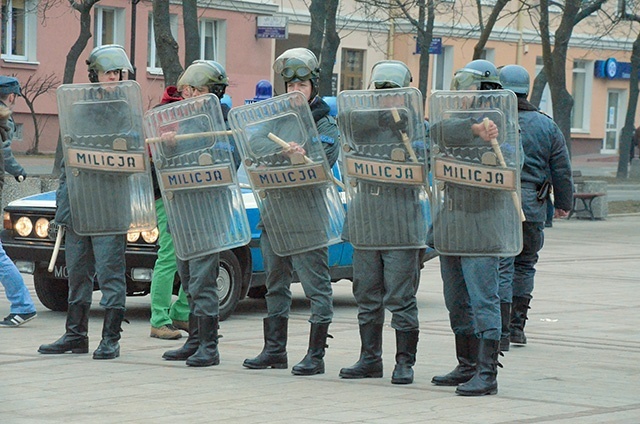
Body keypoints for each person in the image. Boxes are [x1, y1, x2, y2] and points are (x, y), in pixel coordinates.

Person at [242, 48, 339, 376]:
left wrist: (303, 153)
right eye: (291, 85)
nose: (296, 91)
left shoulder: (325, 121)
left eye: (303, 85)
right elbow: (255, 146)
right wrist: (286, 153)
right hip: (275, 214)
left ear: (313, 86)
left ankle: (316, 354)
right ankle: (274, 350)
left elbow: (325, 154)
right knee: (275, 284)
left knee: (316, 287)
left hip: (307, 217)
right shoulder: (275, 119)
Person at [38, 45, 136, 359]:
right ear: (94, 75)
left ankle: (110, 338)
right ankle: (75, 335)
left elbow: (134, 159)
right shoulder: (77, 109)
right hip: (81, 206)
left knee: (110, 272)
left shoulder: (127, 110)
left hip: (110, 205)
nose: (115, 78)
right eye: (110, 72)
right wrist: (63, 208)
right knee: (77, 272)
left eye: (119, 73)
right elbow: (67, 165)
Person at [337, 60, 427, 385]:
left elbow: (425, 163)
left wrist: (402, 127)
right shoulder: (364, 122)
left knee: (401, 297)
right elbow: (344, 124)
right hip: (366, 220)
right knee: (366, 293)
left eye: (394, 94)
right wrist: (380, 118)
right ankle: (369, 358)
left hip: (401, 225)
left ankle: (405, 362)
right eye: (381, 93)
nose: (387, 99)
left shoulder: (418, 128)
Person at [429, 59, 510, 396]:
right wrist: (473, 129)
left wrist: (487, 133)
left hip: (482, 222)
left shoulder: (505, 124)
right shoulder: (457, 123)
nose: (463, 96)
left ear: (486, 92)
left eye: (470, 90)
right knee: (456, 298)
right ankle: (467, 364)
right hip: (453, 222)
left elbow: (509, 162)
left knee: (483, 299)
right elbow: (435, 132)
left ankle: (487, 373)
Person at [159, 60, 238, 367]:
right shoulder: (186, 121)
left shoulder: (224, 123)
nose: (188, 95)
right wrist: (168, 147)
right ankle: (194, 339)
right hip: (183, 212)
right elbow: (169, 167)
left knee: (203, 281)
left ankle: (209, 345)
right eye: (188, 90)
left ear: (209, 93)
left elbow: (230, 164)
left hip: (207, 213)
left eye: (194, 90)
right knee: (188, 278)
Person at [497, 65, 572, 350]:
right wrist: (564, 204)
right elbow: (561, 170)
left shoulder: (492, 121)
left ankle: (500, 331)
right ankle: (517, 327)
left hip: (499, 204)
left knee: (502, 266)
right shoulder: (547, 125)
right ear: (526, 90)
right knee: (525, 265)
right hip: (532, 207)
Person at [148, 84, 190, 340]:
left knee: (193, 255)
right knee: (169, 256)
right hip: (166, 192)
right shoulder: (163, 114)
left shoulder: (194, 113)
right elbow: (155, 155)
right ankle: (159, 319)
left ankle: (182, 312)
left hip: (189, 191)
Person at [0, 75, 37, 328]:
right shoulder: (5, 119)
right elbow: (5, 152)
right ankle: (23, 305)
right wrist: (17, 170)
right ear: (11, 96)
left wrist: (17, 170)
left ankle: (23, 305)